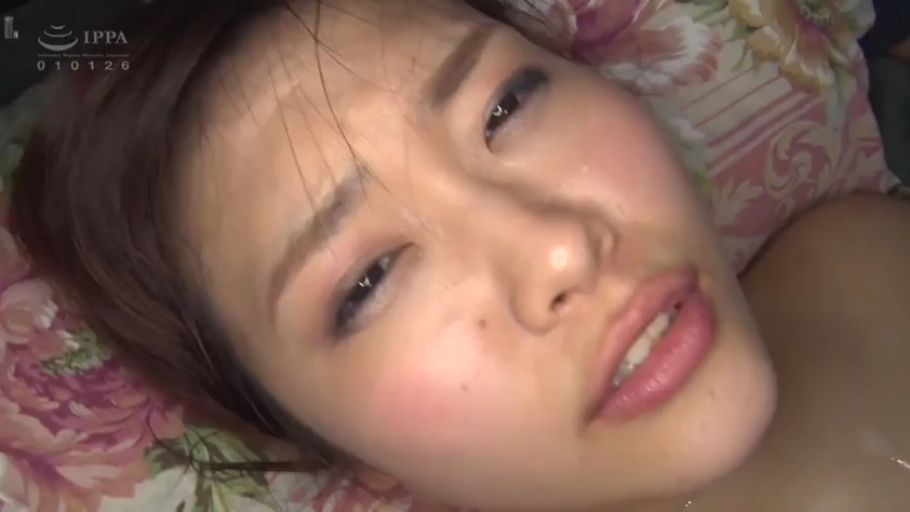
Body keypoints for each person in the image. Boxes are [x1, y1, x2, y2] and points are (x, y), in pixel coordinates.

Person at [9, 0, 910, 510]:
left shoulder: (856, 262)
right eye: (369, 281)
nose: (558, 248)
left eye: (506, 106)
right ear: (332, 445)